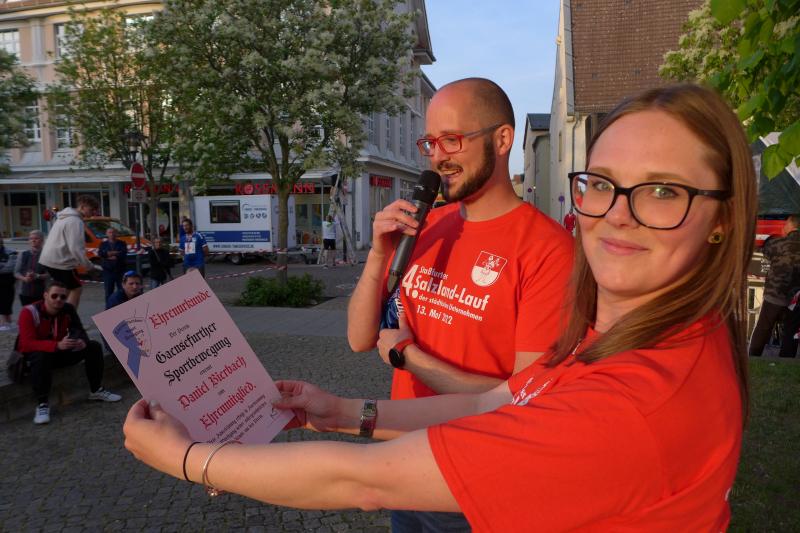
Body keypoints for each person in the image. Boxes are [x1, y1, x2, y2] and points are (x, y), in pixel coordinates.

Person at [124, 84, 755, 530]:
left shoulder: (636, 394)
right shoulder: (622, 336)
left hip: (457, 479)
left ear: (723, 219)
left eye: (663, 191)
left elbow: (364, 480)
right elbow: (501, 399)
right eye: (601, 183)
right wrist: (339, 410)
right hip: (423, 453)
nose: (617, 213)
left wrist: (189, 459)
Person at [349, 77, 574, 532]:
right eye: (430, 143)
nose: (437, 157)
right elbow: (358, 338)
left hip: (474, 478)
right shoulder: (429, 224)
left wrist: (407, 355)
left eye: (451, 139)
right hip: (405, 459)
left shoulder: (549, 250)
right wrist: (376, 254)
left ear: (502, 140)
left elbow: (526, 400)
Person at [19, 280, 122, 425]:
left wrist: (81, 341)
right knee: (41, 356)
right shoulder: (29, 312)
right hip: (39, 356)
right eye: (54, 296)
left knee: (93, 347)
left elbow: (78, 329)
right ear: (45, 295)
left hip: (61, 351)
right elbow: (26, 344)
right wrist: (56, 345)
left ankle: (96, 390)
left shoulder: (67, 309)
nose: (59, 299)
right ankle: (42, 404)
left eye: (63, 297)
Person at [749, 215, 800, 357]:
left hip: (775, 294)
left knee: (764, 327)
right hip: (797, 298)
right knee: (791, 330)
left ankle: (754, 356)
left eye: (785, 224)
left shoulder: (777, 243)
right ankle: (787, 360)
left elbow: (763, 252)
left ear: (790, 226)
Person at [38, 195, 99, 309]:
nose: (94, 212)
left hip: (50, 259)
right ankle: (68, 316)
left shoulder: (64, 217)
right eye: (92, 209)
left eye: (95, 210)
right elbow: (76, 249)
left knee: (62, 290)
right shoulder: (75, 221)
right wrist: (90, 267)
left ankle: (55, 311)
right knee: (76, 288)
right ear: (82, 207)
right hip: (59, 262)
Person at [14, 230, 49, 306]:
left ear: (42, 240)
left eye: (36, 238)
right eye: (31, 238)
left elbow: (50, 274)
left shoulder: (46, 255)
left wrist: (37, 276)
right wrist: (24, 278)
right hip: (24, 292)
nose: (33, 240)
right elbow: (16, 272)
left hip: (41, 292)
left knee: (40, 312)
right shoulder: (23, 254)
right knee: (27, 312)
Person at [98, 227, 128, 303]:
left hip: (120, 271)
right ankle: (109, 308)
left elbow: (123, 253)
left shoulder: (122, 243)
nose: (112, 234)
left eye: (113, 232)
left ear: (116, 233)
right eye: (110, 232)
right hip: (108, 271)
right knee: (108, 291)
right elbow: (101, 254)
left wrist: (109, 254)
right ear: (106, 234)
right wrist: (114, 253)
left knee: (122, 291)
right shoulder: (103, 244)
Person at [0, 237, 16, 330]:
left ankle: (7, 322)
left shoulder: (11, 251)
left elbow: (11, 267)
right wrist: (3, 265)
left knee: (7, 301)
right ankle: (4, 323)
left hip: (8, 282)